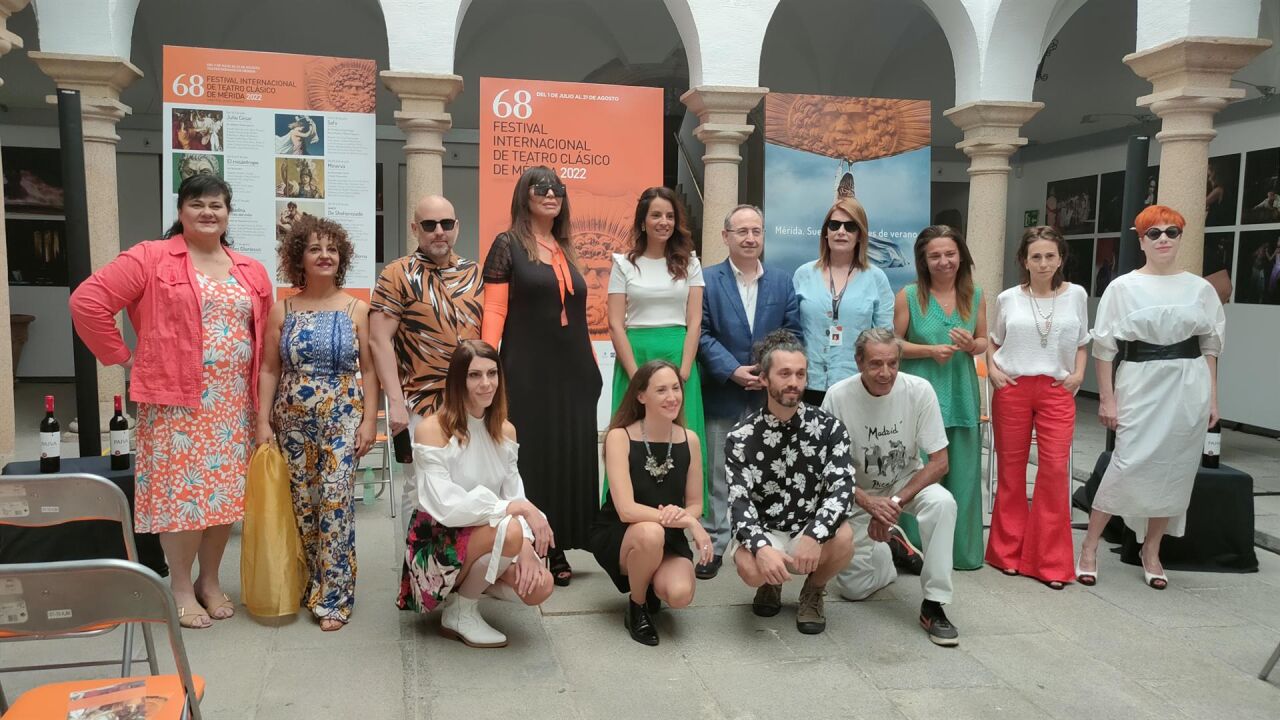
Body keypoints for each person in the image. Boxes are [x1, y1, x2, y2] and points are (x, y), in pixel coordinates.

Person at [69, 174, 272, 629]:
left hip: (234, 404)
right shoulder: (150, 257)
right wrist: (124, 356)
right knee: (183, 500)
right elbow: (87, 302)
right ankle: (180, 587)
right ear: (180, 211)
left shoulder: (250, 270)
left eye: (217, 205)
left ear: (228, 214)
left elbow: (263, 338)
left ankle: (209, 581)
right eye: (197, 203)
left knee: (224, 498)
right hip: (175, 403)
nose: (207, 212)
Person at [1077, 205, 1225, 590]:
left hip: (1189, 382)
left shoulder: (1200, 289)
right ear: (1141, 240)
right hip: (1140, 380)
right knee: (1126, 461)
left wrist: (1212, 398)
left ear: (1180, 238)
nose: (1163, 239)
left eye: (1171, 232)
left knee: (1176, 467)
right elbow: (1104, 348)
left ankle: (1152, 550)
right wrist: (1107, 399)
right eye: (1154, 233)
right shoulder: (1122, 288)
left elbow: (1210, 346)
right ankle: (1089, 546)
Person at [256, 216, 379, 630]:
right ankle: (310, 583)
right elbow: (269, 369)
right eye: (315, 249)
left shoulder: (358, 309)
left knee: (335, 500)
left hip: (343, 418)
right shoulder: (283, 309)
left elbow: (370, 370)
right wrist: (262, 421)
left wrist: (369, 421)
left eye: (332, 249)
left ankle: (335, 597)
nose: (325, 255)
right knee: (302, 505)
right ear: (299, 258)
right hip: (291, 421)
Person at [482, 166, 601, 586]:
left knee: (570, 455)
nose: (551, 194)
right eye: (541, 188)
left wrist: (593, 368)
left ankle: (563, 539)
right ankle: (534, 543)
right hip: (527, 370)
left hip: (574, 373)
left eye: (558, 188)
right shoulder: (508, 244)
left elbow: (580, 317)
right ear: (524, 195)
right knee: (531, 455)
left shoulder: (566, 247)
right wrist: (486, 366)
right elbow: (494, 309)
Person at [396, 341, 555, 647]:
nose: (486, 383)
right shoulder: (431, 429)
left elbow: (514, 493)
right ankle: (461, 613)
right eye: (474, 375)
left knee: (541, 586)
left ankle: (464, 595)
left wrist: (525, 545)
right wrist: (515, 515)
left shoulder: (505, 430)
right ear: (458, 381)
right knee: (509, 531)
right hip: (436, 547)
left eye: (492, 373)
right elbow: (447, 506)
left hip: (488, 532)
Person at [823, 329, 959, 646]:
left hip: (904, 484)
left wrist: (893, 504)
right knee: (853, 589)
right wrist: (870, 504)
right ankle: (891, 549)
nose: (885, 373)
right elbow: (827, 468)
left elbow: (940, 462)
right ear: (859, 362)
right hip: (858, 493)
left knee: (942, 503)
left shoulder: (919, 390)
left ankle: (934, 603)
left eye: (892, 363)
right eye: (875, 364)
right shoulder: (837, 397)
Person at [696, 204, 801, 579]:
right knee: (717, 474)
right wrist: (732, 370)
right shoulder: (706, 280)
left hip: (767, 397)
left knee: (766, 472)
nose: (750, 238)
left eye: (756, 231)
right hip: (722, 391)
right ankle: (713, 544)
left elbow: (792, 334)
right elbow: (700, 333)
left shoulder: (782, 282)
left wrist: (769, 374)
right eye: (742, 231)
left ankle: (760, 542)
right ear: (725, 236)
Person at [726, 329, 855, 635]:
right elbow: (739, 503)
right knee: (750, 569)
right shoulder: (740, 437)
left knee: (846, 538)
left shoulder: (831, 429)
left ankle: (814, 590)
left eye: (800, 374)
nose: (794, 382)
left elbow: (842, 490)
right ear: (764, 379)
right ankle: (769, 583)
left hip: (807, 531)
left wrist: (815, 534)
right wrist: (761, 548)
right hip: (765, 530)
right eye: (784, 374)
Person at [985, 227, 1089, 589]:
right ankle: (1007, 553)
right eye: (1036, 257)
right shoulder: (1008, 298)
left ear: (1060, 259)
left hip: (1056, 389)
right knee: (1011, 472)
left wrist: (1079, 374)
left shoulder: (1076, 295)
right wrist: (993, 371)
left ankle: (1050, 562)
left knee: (1055, 471)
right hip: (1013, 388)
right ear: (1024, 261)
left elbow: (1082, 342)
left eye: (1050, 256)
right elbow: (993, 340)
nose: (1043, 263)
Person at [370, 195, 483, 524]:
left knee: (469, 482)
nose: (439, 232)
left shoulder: (474, 273)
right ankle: (413, 559)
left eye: (446, 224)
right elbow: (379, 340)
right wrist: (395, 403)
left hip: (471, 401)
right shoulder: (397, 274)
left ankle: (458, 556)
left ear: (456, 226)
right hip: (421, 403)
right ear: (414, 228)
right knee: (420, 489)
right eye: (429, 225)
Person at [590, 360, 711, 646]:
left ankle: (647, 578)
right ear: (641, 395)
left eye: (676, 388)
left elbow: (695, 503)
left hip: (669, 534)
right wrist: (688, 521)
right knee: (650, 533)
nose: (672, 397)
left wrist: (688, 516)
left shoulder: (690, 439)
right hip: (622, 533)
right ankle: (637, 604)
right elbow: (626, 510)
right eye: (661, 390)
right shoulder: (619, 436)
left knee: (680, 595)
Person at [894, 225, 987, 571]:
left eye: (950, 253)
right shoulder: (908, 296)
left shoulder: (975, 295)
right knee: (917, 476)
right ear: (923, 260)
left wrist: (972, 345)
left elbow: (984, 340)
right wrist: (930, 350)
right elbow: (894, 344)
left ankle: (961, 553)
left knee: (963, 476)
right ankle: (912, 551)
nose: (944, 261)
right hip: (921, 397)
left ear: (961, 255)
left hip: (961, 396)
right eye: (935, 255)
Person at [607, 187, 707, 508]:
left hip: (679, 356)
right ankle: (628, 508)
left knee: (682, 434)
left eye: (669, 216)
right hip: (636, 356)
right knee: (630, 431)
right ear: (643, 221)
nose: (664, 222)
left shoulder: (690, 263)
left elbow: (695, 321)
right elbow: (615, 324)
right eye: (656, 215)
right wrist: (638, 377)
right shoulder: (623, 264)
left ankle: (685, 513)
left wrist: (684, 371)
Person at [792, 197, 893, 406]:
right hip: (807, 384)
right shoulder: (803, 274)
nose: (841, 231)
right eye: (834, 225)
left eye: (850, 226)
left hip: (856, 386)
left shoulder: (876, 278)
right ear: (825, 232)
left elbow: (884, 338)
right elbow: (791, 331)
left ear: (860, 235)